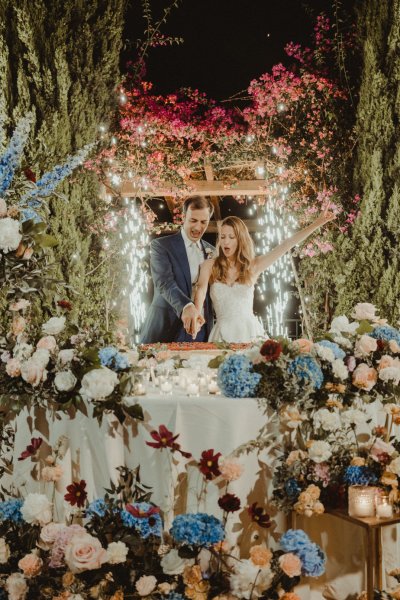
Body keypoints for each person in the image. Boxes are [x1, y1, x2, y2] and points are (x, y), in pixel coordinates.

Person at [193, 212, 335, 343]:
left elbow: (286, 245)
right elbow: (200, 289)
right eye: (222, 237)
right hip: (221, 334)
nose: (225, 242)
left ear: (240, 239)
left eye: (231, 237)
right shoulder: (209, 265)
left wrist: (318, 222)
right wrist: (196, 314)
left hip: (250, 333)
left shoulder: (253, 266)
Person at [140, 196, 216, 343]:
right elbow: (164, 282)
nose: (198, 227)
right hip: (166, 328)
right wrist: (186, 306)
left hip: (201, 333)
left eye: (203, 222)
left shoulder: (213, 252)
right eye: (193, 221)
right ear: (183, 217)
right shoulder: (161, 246)